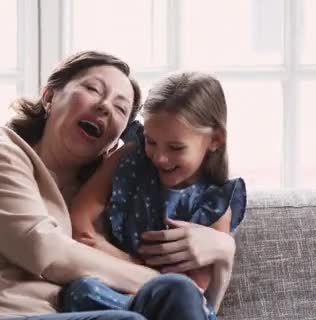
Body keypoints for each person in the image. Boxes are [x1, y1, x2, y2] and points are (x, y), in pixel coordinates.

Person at [0, 51, 236, 320]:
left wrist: (224, 253)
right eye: (92, 89)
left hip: (77, 313)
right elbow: (47, 252)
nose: (105, 106)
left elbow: (196, 300)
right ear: (49, 96)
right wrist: (154, 278)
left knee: (175, 293)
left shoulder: (107, 194)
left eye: (120, 109)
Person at [62, 71, 247, 319]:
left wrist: (108, 253)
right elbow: (80, 226)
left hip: (173, 307)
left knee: (180, 293)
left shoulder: (214, 202)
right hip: (112, 292)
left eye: (175, 147)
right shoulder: (129, 159)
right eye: (151, 141)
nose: (159, 157)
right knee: (81, 289)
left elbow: (193, 290)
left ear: (215, 139)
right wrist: (133, 266)